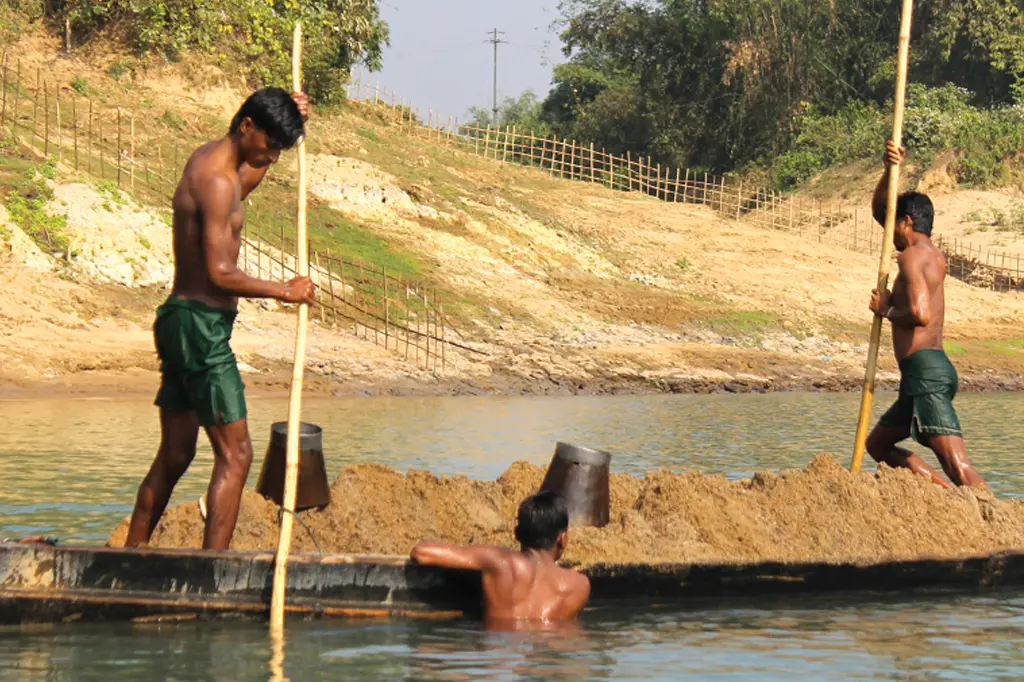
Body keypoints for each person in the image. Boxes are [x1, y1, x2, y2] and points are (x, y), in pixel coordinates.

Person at [123, 88, 317, 550]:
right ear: (246, 125)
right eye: (269, 145)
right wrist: (284, 290)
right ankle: (213, 570)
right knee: (237, 454)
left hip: (183, 322)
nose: (270, 156)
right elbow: (219, 272)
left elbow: (247, 177)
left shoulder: (220, 167)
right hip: (199, 326)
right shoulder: (214, 179)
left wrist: (290, 117)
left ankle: (130, 556)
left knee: (175, 453)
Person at [865, 140, 986, 489]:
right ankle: (947, 499)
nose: (891, 233)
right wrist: (891, 169)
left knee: (957, 464)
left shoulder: (914, 257)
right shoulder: (932, 255)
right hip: (922, 374)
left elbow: (919, 313)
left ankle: (998, 518)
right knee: (879, 445)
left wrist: (886, 309)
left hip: (926, 373)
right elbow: (880, 211)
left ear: (907, 221)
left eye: (895, 224)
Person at [410, 491, 591, 627]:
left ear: (517, 533)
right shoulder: (579, 586)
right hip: (544, 661)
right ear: (563, 539)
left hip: (498, 663)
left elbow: (422, 552)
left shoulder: (500, 562)